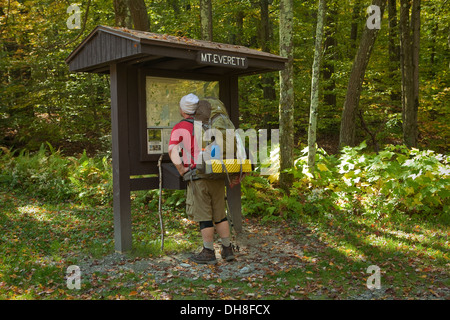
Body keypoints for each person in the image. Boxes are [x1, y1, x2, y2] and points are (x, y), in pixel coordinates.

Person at [168, 93, 235, 264]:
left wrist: (182, 170)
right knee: (220, 214)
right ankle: (227, 249)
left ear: (183, 110)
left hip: (198, 176)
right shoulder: (208, 124)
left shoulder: (181, 127)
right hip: (217, 174)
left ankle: (208, 252)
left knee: (205, 216)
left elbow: (172, 151)